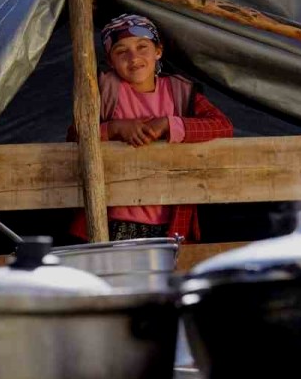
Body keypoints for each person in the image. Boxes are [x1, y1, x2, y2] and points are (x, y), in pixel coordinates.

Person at [70, 14, 233, 242]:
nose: (133, 57)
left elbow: (222, 126)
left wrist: (168, 123)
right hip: (111, 221)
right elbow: (75, 135)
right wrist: (115, 129)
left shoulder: (180, 92)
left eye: (142, 47)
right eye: (121, 51)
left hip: (172, 221)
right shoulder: (102, 91)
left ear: (158, 51)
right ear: (110, 60)